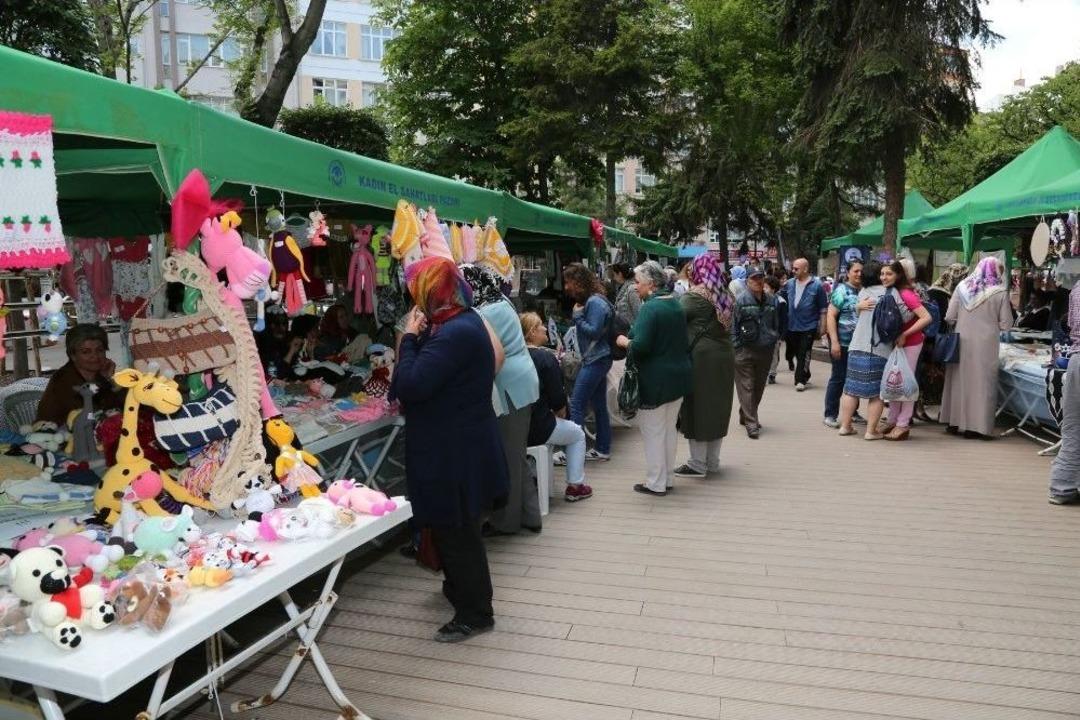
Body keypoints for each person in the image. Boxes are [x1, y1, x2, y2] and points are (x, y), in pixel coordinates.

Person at [388, 257, 507, 643]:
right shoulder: (460, 322)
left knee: (458, 533)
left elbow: (410, 385)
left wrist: (407, 338)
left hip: (454, 452)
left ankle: (475, 612)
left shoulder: (453, 331)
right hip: (458, 445)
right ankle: (462, 592)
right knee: (456, 530)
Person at [462, 264, 542, 534]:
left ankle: (505, 523)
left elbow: (480, 351)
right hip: (519, 381)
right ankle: (530, 515)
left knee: (509, 456)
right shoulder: (500, 300)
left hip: (510, 385)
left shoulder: (486, 311)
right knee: (516, 454)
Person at [615, 261, 690, 496]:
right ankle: (666, 478)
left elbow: (641, 346)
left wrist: (624, 341)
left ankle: (655, 482)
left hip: (655, 380)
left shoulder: (651, 308)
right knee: (667, 431)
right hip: (677, 377)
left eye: (638, 283)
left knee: (653, 433)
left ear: (651, 284)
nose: (635, 287)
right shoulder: (676, 304)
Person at [673, 254, 735, 477]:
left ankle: (697, 464)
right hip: (725, 356)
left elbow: (674, 318)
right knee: (717, 407)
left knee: (696, 406)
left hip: (701, 359)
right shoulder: (726, 295)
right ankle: (712, 461)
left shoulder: (694, 297)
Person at [519, 312, 591, 501]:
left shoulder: (514, 356)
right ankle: (575, 485)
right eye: (541, 325)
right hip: (540, 426)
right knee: (577, 434)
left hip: (517, 428)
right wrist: (560, 414)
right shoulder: (545, 359)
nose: (545, 328)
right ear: (533, 332)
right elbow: (558, 400)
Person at [940, 257, 1013, 440]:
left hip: (962, 341)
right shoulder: (1000, 292)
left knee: (958, 381)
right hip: (986, 344)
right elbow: (1006, 324)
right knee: (982, 383)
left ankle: (954, 422)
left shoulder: (962, 288)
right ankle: (977, 427)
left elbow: (949, 316)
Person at [564, 263, 613, 462]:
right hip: (599, 358)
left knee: (576, 404)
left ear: (579, 282)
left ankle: (574, 452)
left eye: (568, 282)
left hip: (596, 359)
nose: (566, 287)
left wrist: (577, 317)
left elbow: (593, 330)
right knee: (599, 404)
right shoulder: (597, 300)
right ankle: (602, 449)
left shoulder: (594, 303)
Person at [879, 260, 933, 441]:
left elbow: (926, 317)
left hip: (910, 344)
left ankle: (903, 424)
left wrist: (905, 333)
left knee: (906, 383)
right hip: (897, 345)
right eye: (882, 274)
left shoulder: (906, 294)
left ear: (899, 275)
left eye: (889, 274)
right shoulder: (892, 292)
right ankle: (893, 419)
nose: (884, 277)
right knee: (895, 382)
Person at [35, 324, 123, 426]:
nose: (94, 356)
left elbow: (120, 407)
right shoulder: (64, 380)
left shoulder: (98, 375)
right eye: (86, 352)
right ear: (73, 355)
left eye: (99, 350)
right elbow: (92, 415)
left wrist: (109, 379)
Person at [731, 267, 780, 439]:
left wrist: (774, 338)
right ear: (747, 281)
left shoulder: (772, 300)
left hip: (765, 349)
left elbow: (777, 323)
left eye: (761, 277)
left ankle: (745, 413)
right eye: (754, 278)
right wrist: (736, 347)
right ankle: (752, 423)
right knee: (747, 386)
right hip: (744, 350)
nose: (758, 281)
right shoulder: (740, 300)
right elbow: (733, 326)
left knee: (758, 387)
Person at [1049, 279, 1080, 504]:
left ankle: (1062, 486)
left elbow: (1070, 323)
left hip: (1077, 360)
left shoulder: (1077, 287)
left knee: (1073, 427)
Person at [823, 260, 862, 428]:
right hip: (843, 343)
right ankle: (830, 414)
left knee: (854, 379)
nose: (859, 274)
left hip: (859, 345)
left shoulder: (864, 291)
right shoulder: (841, 291)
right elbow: (831, 316)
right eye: (856, 271)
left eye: (861, 271)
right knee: (838, 378)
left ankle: (852, 412)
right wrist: (835, 342)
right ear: (848, 272)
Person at [783, 258, 829, 391]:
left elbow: (823, 308)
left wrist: (823, 326)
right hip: (792, 325)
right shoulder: (790, 284)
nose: (793, 271)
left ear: (805, 269)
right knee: (797, 352)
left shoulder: (817, 285)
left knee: (803, 352)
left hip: (809, 325)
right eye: (793, 268)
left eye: (796, 269)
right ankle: (806, 372)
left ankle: (800, 380)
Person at [764, 275, 787, 384]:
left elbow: (784, 320)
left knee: (773, 354)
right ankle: (764, 372)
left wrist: (782, 335)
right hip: (762, 333)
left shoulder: (781, 302)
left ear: (773, 289)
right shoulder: (760, 300)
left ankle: (772, 374)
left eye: (766, 287)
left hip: (775, 333)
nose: (764, 289)